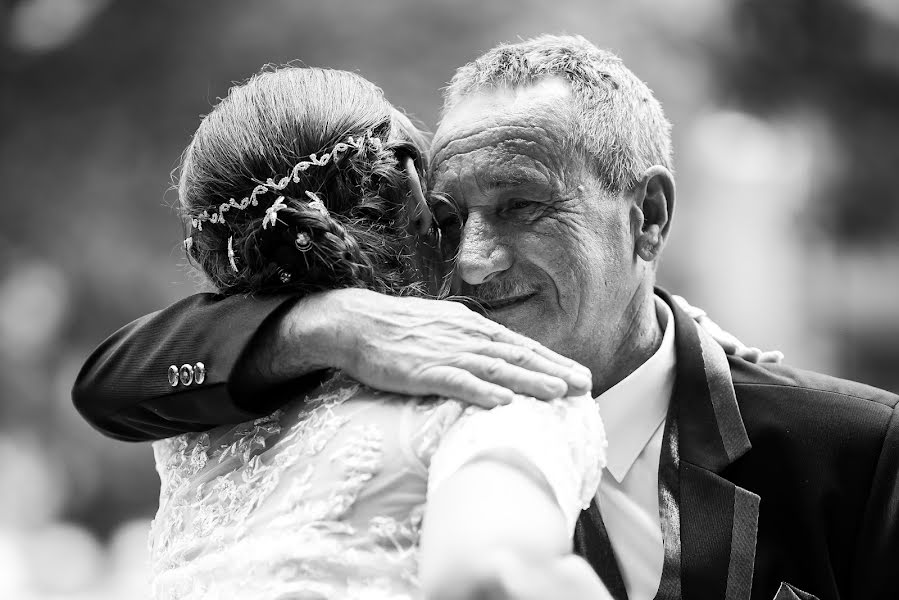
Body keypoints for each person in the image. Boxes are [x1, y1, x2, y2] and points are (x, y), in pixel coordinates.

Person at [72, 34, 899, 599]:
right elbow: (111, 380)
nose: (470, 261)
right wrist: (326, 322)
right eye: (446, 217)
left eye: (520, 206)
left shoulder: (854, 449)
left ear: (646, 216)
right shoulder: (396, 385)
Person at [145, 65, 613, 600]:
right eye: (449, 215)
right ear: (414, 198)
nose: (473, 258)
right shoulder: (497, 389)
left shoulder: (187, 428)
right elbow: (490, 579)